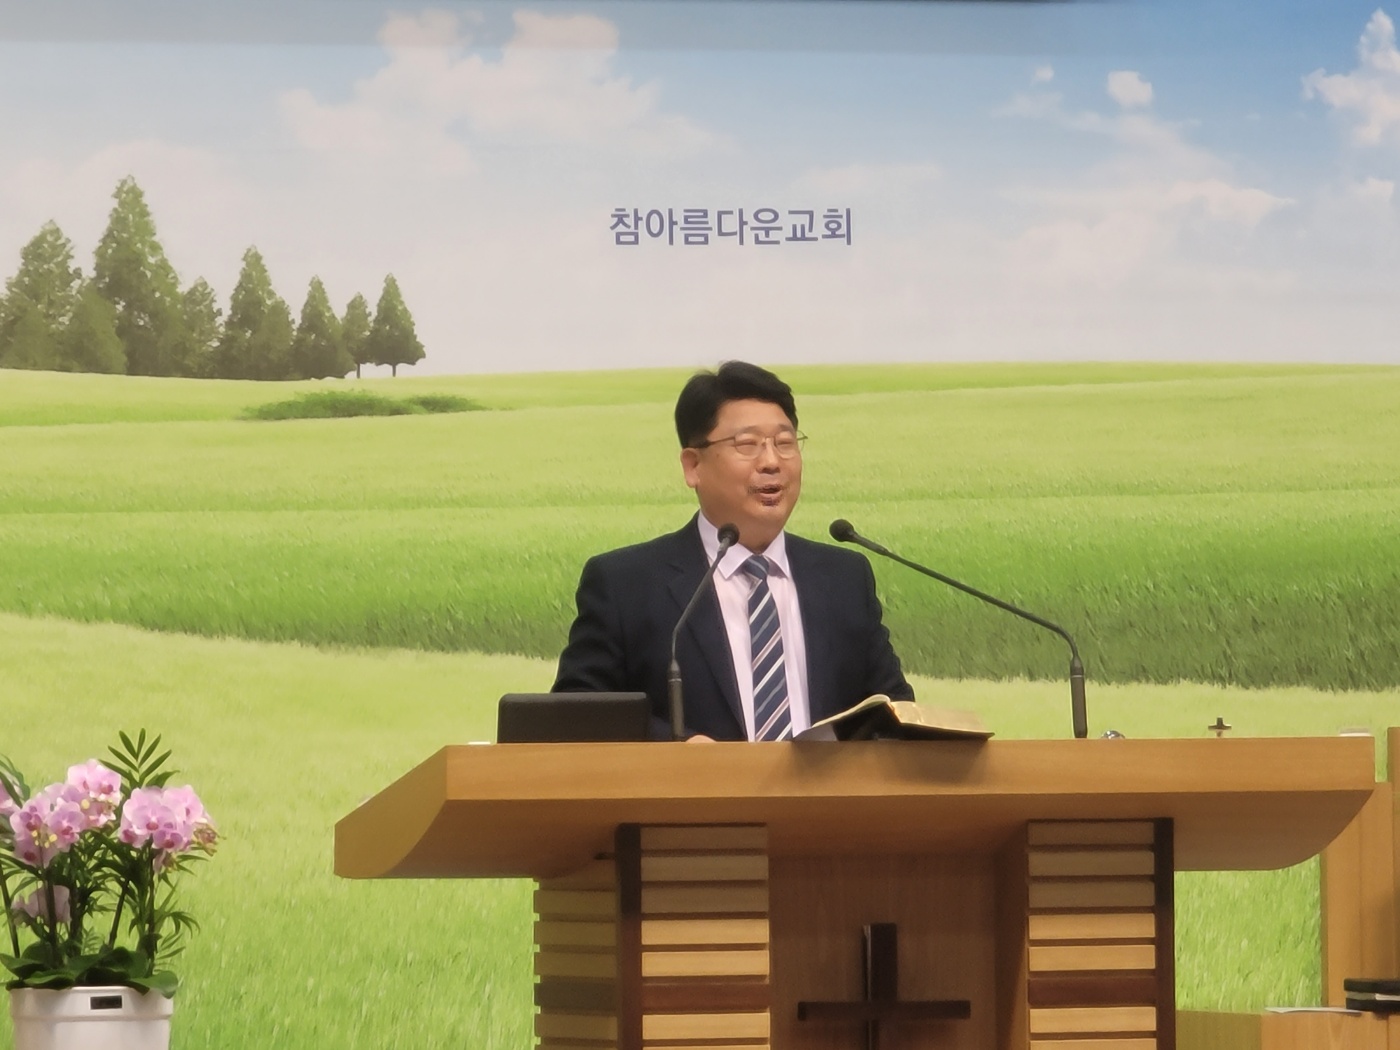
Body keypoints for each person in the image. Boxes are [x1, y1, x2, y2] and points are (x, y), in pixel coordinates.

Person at [552, 361, 913, 740]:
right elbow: (578, 712)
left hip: (825, 782)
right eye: (747, 445)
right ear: (693, 466)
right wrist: (677, 748)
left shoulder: (844, 578)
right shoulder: (627, 584)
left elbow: (895, 712)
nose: (772, 462)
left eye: (785, 443)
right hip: (691, 780)